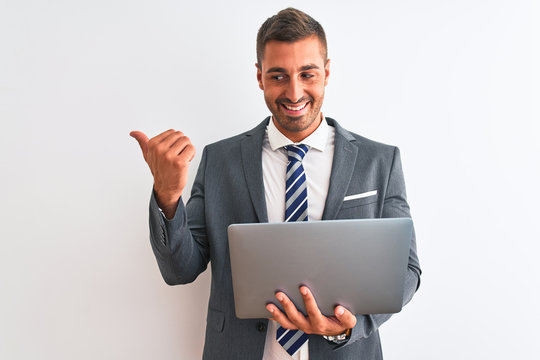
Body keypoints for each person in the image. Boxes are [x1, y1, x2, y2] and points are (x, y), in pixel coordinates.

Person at [131, 7, 421, 360]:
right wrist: (168, 195)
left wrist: (348, 325)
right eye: (279, 76)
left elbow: (406, 271)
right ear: (259, 77)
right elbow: (180, 270)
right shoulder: (220, 161)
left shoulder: (379, 161)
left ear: (327, 72)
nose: (295, 92)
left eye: (307, 74)